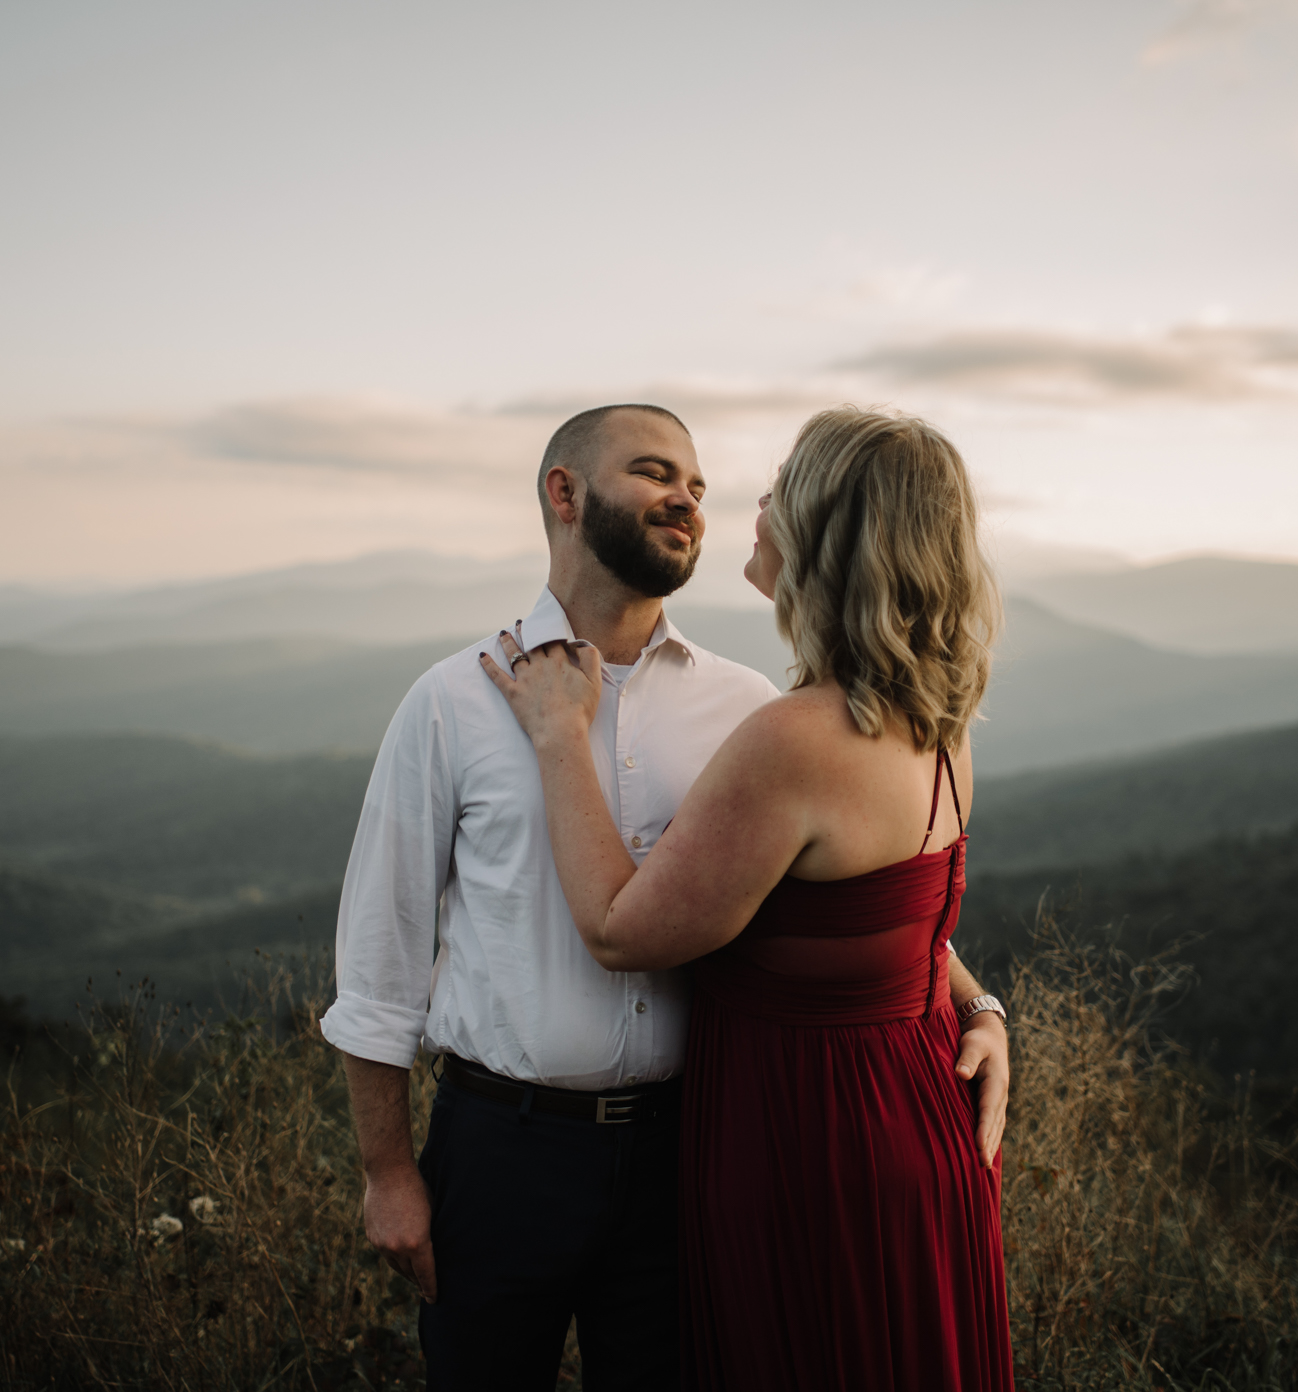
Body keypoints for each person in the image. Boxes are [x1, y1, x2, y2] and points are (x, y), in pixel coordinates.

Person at [326, 403, 1012, 1391]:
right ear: (564, 494)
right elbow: (378, 963)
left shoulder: (754, 714)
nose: (690, 498)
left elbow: (849, 907)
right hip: (504, 1153)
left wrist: (973, 998)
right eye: (655, 473)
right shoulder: (453, 701)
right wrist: (389, 1174)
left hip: (690, 1155)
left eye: (699, 483)